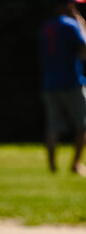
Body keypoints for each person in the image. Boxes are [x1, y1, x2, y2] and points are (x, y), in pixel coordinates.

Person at [39, 0, 86, 174]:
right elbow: (84, 47)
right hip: (72, 82)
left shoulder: (47, 27)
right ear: (68, 6)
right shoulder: (71, 25)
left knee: (52, 126)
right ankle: (76, 165)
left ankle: (52, 166)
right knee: (82, 125)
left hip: (50, 83)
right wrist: (80, 21)